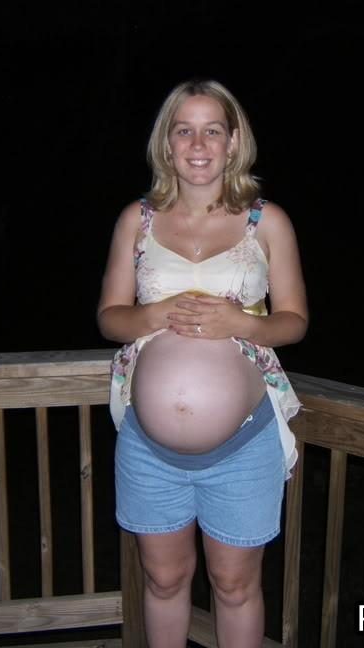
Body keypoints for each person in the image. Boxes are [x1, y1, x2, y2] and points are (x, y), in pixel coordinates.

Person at [97, 79, 308, 647]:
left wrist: (243, 323)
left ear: (233, 142)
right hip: (148, 447)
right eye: (183, 130)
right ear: (166, 144)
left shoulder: (267, 221)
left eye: (212, 130)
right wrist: (152, 314)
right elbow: (110, 317)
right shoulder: (136, 220)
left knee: (234, 585)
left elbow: (293, 321)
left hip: (244, 443)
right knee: (163, 580)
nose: (198, 144)